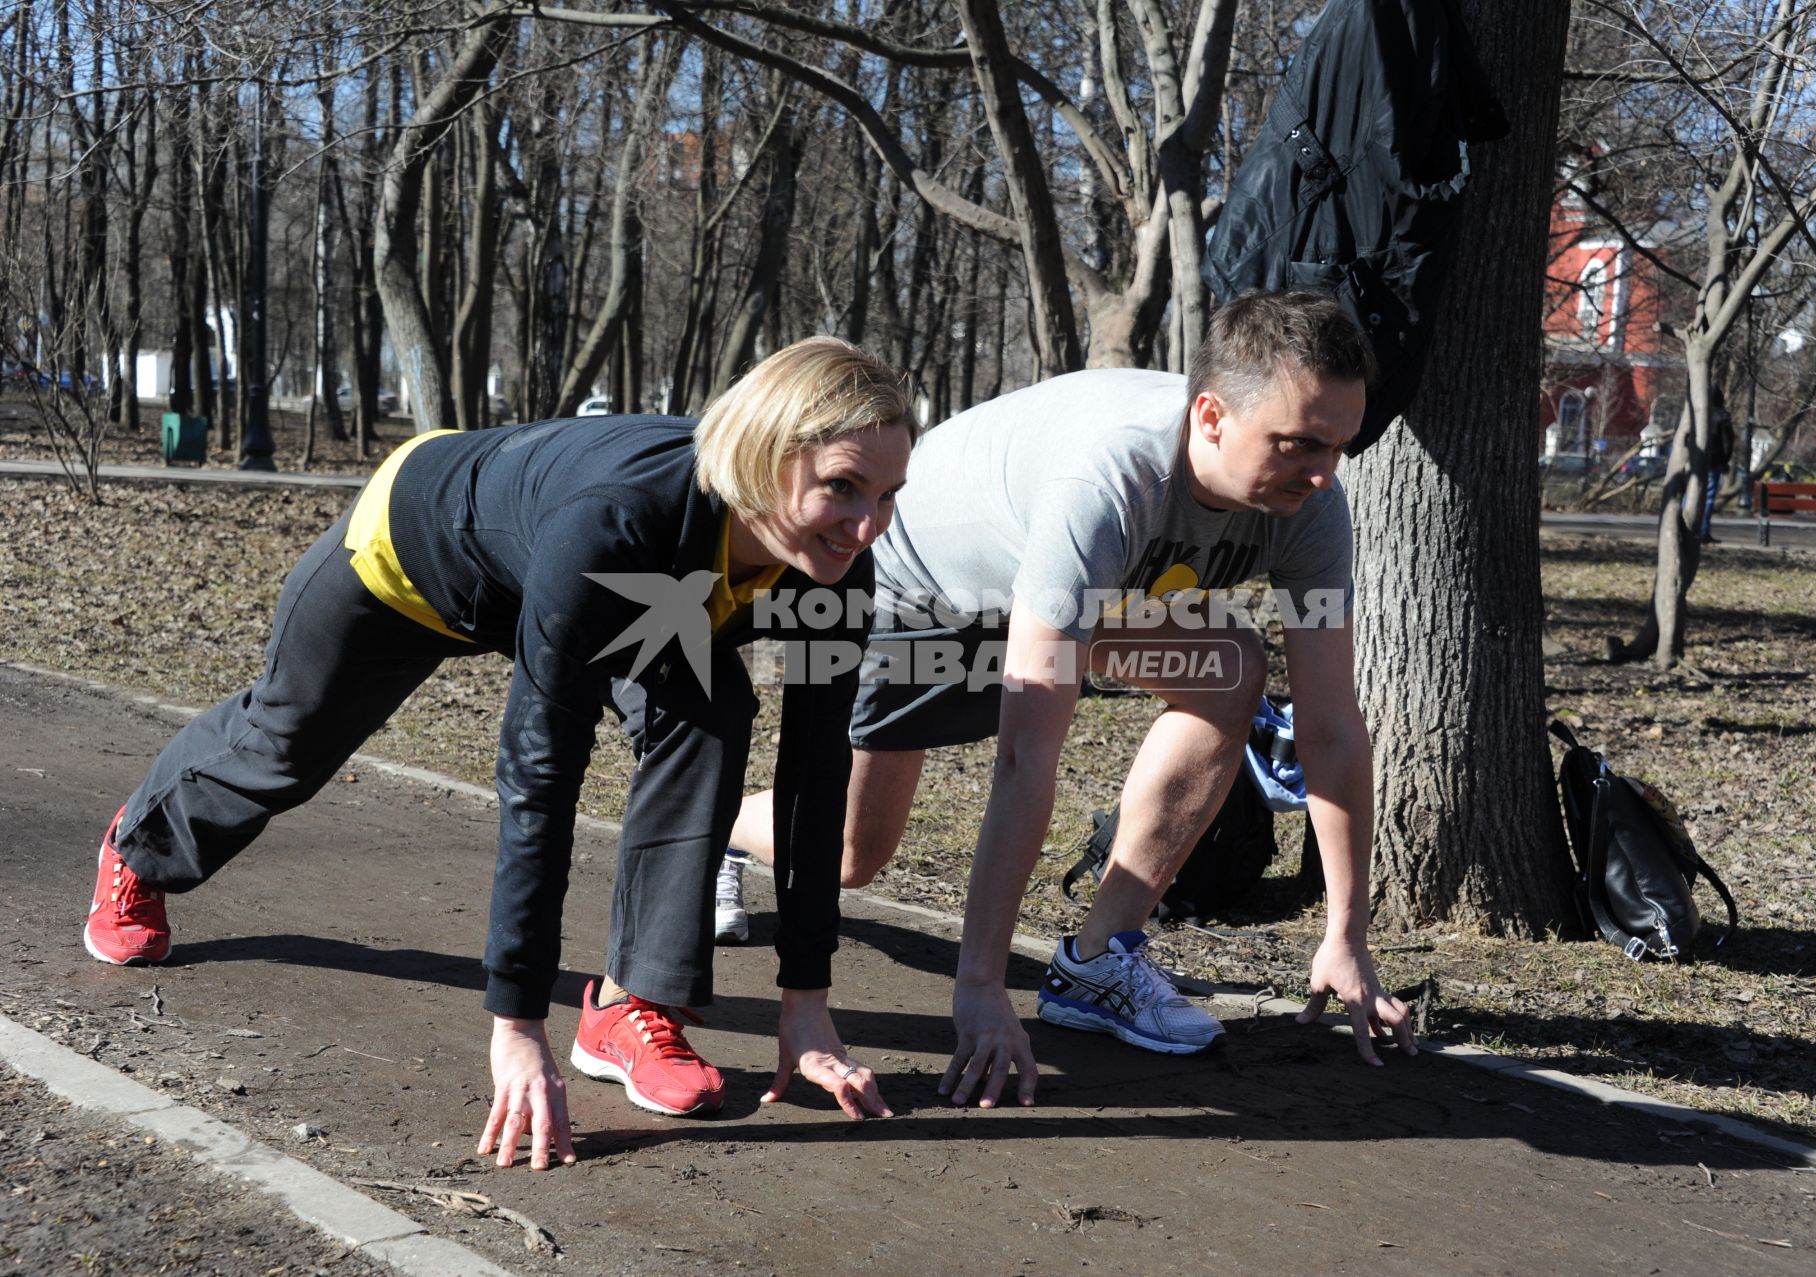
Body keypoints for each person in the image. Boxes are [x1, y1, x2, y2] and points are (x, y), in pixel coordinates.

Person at [83, 337, 915, 1167]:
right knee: (284, 745)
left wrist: (806, 1001)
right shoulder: (619, 519)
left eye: (886, 494)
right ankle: (141, 849)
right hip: (421, 549)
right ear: (765, 456)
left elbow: (814, 774)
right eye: (841, 486)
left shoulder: (839, 566)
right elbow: (540, 771)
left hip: (609, 585)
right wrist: (516, 1025)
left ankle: (632, 1006)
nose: (866, 523)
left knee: (710, 710)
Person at [729, 291, 1418, 1110]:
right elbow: (1027, 756)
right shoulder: (1108, 479)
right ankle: (716, 831)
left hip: (1080, 592)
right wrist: (979, 983)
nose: (1322, 472)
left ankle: (1098, 958)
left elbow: (1332, 729)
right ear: (1210, 416)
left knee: (1229, 666)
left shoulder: (1312, 507)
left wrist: (1346, 934)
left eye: (1339, 446)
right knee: (851, 854)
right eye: (1300, 443)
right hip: (925, 593)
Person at [1702, 386, 1735, 544]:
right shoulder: (1723, 416)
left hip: (1696, 460)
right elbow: (1727, 443)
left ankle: (1685, 527)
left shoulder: (1698, 413)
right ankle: (1703, 531)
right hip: (1714, 461)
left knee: (1689, 494)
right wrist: (1725, 461)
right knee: (1708, 498)